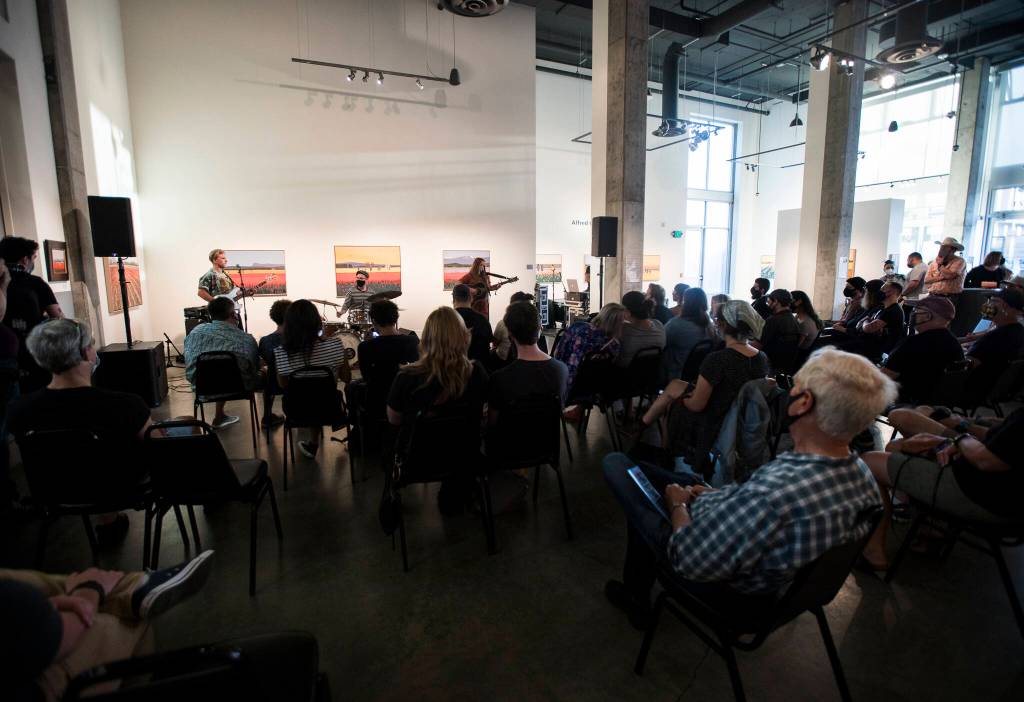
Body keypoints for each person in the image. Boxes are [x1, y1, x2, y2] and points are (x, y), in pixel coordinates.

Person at [603, 349, 891, 627]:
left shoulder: (775, 492)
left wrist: (677, 505)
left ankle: (636, 596)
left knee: (619, 466)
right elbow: (758, 511)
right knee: (657, 476)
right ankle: (637, 586)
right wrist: (713, 494)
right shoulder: (862, 476)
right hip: (763, 564)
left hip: (728, 593)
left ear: (803, 403)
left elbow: (689, 559)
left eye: (792, 385)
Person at [8, 319, 152, 543]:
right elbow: (157, 446)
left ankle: (109, 521)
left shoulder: (19, 409)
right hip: (121, 490)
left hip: (54, 492)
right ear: (86, 353)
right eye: (92, 344)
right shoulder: (125, 405)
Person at [0, 551, 214, 702]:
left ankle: (134, 586)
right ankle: (133, 589)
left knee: (17, 581)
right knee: (133, 621)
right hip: (32, 684)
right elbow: (62, 630)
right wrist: (89, 589)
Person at [861, 406, 1023, 570]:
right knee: (899, 445)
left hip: (980, 496)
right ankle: (928, 528)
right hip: (996, 496)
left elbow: (985, 460)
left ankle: (874, 553)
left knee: (868, 462)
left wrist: (960, 439)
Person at [637, 301, 769, 475]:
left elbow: (697, 405)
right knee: (676, 385)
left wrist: (683, 399)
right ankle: (644, 427)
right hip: (737, 414)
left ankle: (664, 453)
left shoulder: (718, 360)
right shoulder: (761, 357)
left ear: (722, 324)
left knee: (673, 403)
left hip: (714, 421)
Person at [387, 306, 489, 514]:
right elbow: (485, 412)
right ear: (464, 337)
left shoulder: (406, 377)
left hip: (417, 461)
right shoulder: (476, 372)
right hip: (465, 456)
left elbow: (394, 419)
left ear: (426, 339)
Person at [273, 299, 349, 458]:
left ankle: (313, 444)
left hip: (296, 410)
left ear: (289, 324)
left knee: (307, 395)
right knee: (321, 395)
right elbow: (347, 378)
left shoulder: (281, 352)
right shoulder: (336, 345)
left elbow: (283, 385)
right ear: (317, 321)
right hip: (330, 407)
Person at [184, 297, 261, 429]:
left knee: (217, 370)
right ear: (233, 315)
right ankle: (268, 417)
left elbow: (189, 366)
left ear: (210, 314)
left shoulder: (195, 333)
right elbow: (253, 368)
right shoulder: (246, 339)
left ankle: (219, 416)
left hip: (203, 387)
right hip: (238, 388)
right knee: (256, 373)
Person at [487, 301, 568, 425]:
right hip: (548, 437)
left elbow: (493, 423)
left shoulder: (499, 379)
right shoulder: (561, 370)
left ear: (510, 334)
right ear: (540, 329)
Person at [0, 237, 64, 392]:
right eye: (33, 258)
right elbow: (58, 318)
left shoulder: (3, 282)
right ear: (25, 259)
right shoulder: (35, 283)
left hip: (4, 351)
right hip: (32, 354)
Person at [882, 296, 964, 405]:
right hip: (934, 405)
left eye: (916, 310)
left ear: (927, 316)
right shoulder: (954, 344)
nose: (912, 314)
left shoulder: (914, 342)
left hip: (903, 401)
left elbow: (885, 376)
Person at [355, 299, 419, 423]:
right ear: (396, 319)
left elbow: (367, 377)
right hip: (407, 402)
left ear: (373, 321)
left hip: (376, 404)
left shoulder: (365, 347)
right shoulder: (412, 341)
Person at [552, 302, 624, 390]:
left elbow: (558, 352)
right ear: (616, 324)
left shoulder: (577, 327)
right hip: (590, 385)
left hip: (562, 378)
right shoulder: (614, 344)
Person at [965, 287, 1024, 380]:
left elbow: (967, 365)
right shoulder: (1018, 331)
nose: (987, 305)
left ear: (1005, 306)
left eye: (993, 301)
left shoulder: (996, 337)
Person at [663, 288, 716, 381]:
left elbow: (661, 343)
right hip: (698, 374)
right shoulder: (709, 325)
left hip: (675, 373)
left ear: (685, 303)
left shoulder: (675, 324)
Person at [848, 281, 906, 362]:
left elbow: (868, 328)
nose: (879, 292)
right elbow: (860, 326)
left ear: (890, 292)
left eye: (882, 289)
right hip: (869, 346)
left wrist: (866, 321)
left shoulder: (893, 310)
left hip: (879, 352)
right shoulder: (884, 309)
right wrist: (866, 322)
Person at [257, 299, 291, 428]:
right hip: (299, 384)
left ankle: (267, 416)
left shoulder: (265, 341)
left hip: (275, 385)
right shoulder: (301, 340)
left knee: (268, 373)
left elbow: (265, 361)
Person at [754, 289, 802, 374]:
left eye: (768, 301)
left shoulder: (773, 320)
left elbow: (757, 346)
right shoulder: (794, 320)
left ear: (775, 301)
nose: (768, 303)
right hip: (786, 366)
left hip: (769, 366)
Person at [617, 291, 666, 368]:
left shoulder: (623, 330)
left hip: (625, 372)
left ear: (627, 312)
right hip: (651, 372)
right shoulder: (659, 325)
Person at [452, 283, 494, 364]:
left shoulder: (445, 321)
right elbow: (488, 345)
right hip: (479, 369)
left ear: (454, 300)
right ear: (471, 299)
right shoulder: (482, 320)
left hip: (453, 369)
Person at [492, 291, 534, 364]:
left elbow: (495, 343)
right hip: (529, 361)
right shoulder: (533, 324)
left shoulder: (502, 324)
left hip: (504, 361)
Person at [925, 236, 967, 303]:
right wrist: (941, 277)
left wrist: (940, 265)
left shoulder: (959, 261)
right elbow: (926, 280)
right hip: (932, 294)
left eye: (946, 248)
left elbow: (950, 275)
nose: (942, 250)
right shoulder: (934, 262)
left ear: (953, 250)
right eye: (942, 247)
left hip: (949, 296)